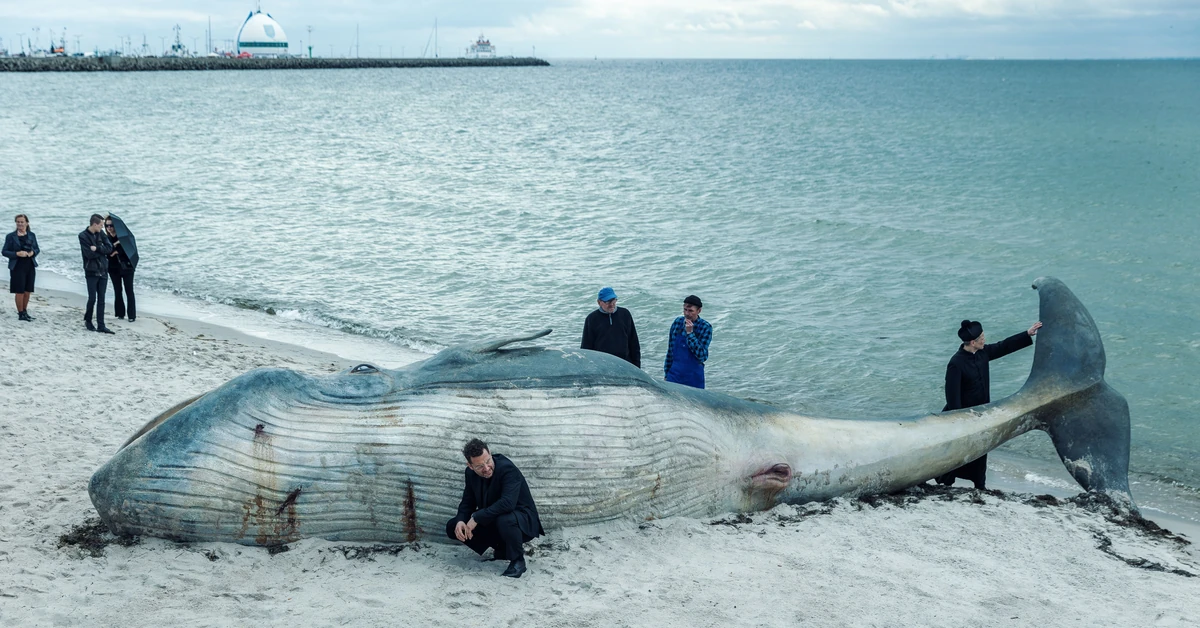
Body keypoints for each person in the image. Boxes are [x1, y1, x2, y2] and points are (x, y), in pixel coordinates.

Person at [935, 318, 1042, 489]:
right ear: (972, 342)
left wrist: (1027, 334)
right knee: (957, 452)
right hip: (962, 417)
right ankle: (946, 481)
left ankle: (980, 485)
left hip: (982, 414)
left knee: (980, 451)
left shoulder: (983, 353)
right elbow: (952, 396)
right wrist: (959, 419)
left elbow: (1003, 346)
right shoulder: (956, 363)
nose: (984, 339)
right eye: (982, 337)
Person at [445, 438, 543, 579]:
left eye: (488, 461)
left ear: (490, 453)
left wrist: (477, 517)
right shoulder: (470, 474)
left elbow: (508, 503)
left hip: (522, 521)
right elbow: (468, 501)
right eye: (479, 466)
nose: (486, 468)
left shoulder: (507, 468)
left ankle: (518, 561)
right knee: (453, 526)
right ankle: (502, 550)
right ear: (470, 466)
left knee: (505, 519)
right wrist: (461, 520)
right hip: (494, 518)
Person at [580, 286, 641, 367]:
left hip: (625, 364)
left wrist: (637, 366)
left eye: (614, 301)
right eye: (608, 302)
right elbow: (586, 348)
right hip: (602, 366)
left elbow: (634, 343)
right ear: (599, 302)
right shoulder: (591, 319)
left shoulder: (625, 314)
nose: (612, 305)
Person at [663, 295, 712, 389]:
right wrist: (666, 373)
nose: (687, 313)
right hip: (674, 375)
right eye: (685, 309)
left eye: (690, 311)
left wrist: (690, 333)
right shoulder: (677, 322)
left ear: (699, 311)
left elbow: (702, 355)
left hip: (693, 377)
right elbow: (670, 351)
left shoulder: (705, 327)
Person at [79, 214, 114, 334]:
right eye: (101, 225)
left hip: (103, 270)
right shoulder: (83, 236)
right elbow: (89, 254)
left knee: (102, 299)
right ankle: (88, 320)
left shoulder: (101, 234)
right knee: (92, 298)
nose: (103, 227)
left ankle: (101, 325)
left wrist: (98, 248)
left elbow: (109, 248)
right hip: (91, 271)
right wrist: (101, 251)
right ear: (95, 224)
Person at [3, 214, 40, 321]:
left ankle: (25, 311)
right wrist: (17, 254)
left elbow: (37, 249)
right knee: (19, 291)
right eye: (18, 222)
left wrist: (32, 253)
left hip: (30, 265)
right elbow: (4, 251)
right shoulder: (11, 236)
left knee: (28, 290)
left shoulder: (31, 235)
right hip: (17, 266)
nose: (20, 224)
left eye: (22, 222)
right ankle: (20, 314)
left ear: (27, 223)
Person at [105, 217, 136, 322]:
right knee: (117, 291)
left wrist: (118, 251)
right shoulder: (106, 238)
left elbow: (130, 252)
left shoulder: (124, 238)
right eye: (107, 226)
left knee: (129, 291)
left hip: (127, 268)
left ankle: (132, 315)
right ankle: (120, 313)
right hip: (113, 268)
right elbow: (106, 252)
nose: (109, 228)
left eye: (111, 225)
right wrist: (115, 245)